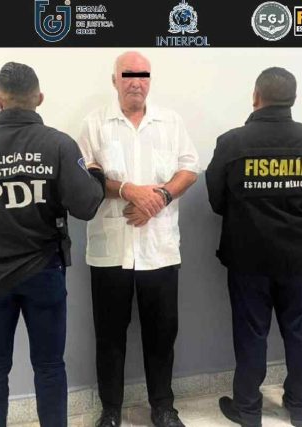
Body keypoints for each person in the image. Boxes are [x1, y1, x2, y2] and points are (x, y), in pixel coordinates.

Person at [0, 62, 105, 427]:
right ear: (39, 98)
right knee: (49, 367)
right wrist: (95, 174)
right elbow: (87, 205)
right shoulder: (58, 145)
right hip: (44, 273)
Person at [77, 51, 199, 427]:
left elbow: (189, 168)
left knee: (162, 335)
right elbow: (87, 178)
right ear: (115, 80)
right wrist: (127, 190)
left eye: (142, 75)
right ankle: (111, 411)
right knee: (109, 337)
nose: (136, 82)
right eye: (128, 75)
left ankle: (163, 407)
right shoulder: (94, 124)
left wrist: (158, 198)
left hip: (159, 249)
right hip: (110, 251)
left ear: (149, 80)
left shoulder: (170, 122)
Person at [205, 67, 302, 427]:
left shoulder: (232, 142)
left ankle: (247, 408)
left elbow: (216, 200)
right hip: (299, 255)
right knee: (298, 329)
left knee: (251, 333)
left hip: (249, 255)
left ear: (255, 97)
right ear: (294, 99)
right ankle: (299, 406)